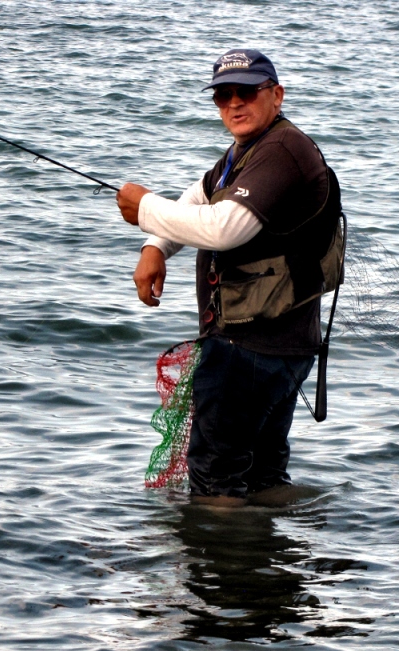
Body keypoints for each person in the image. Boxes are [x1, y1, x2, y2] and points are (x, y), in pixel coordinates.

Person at [116, 49, 341, 507]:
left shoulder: (282, 151)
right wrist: (155, 247)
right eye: (223, 96)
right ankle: (274, 570)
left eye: (247, 92)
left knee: (217, 479)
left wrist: (145, 208)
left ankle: (222, 571)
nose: (234, 104)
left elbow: (225, 227)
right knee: (261, 474)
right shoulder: (247, 150)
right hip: (284, 347)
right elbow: (197, 201)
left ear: (276, 95)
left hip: (249, 350)